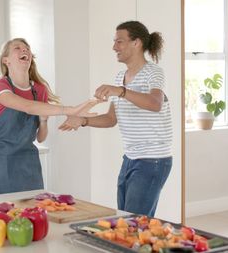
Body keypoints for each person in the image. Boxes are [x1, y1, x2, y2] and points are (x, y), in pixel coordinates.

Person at [59, 21, 172, 217]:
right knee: (125, 219)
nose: (114, 47)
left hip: (152, 159)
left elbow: (155, 103)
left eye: (119, 41)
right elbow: (111, 118)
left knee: (133, 223)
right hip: (130, 158)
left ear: (136, 43)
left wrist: (120, 91)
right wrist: (83, 121)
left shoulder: (153, 72)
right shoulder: (121, 76)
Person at [0, 38, 101, 196]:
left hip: (29, 165)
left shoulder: (40, 91)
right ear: (5, 60)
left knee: (31, 216)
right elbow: (27, 107)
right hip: (0, 164)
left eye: (27, 48)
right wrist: (71, 110)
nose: (24, 50)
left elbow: (41, 138)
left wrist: (43, 121)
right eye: (17, 48)